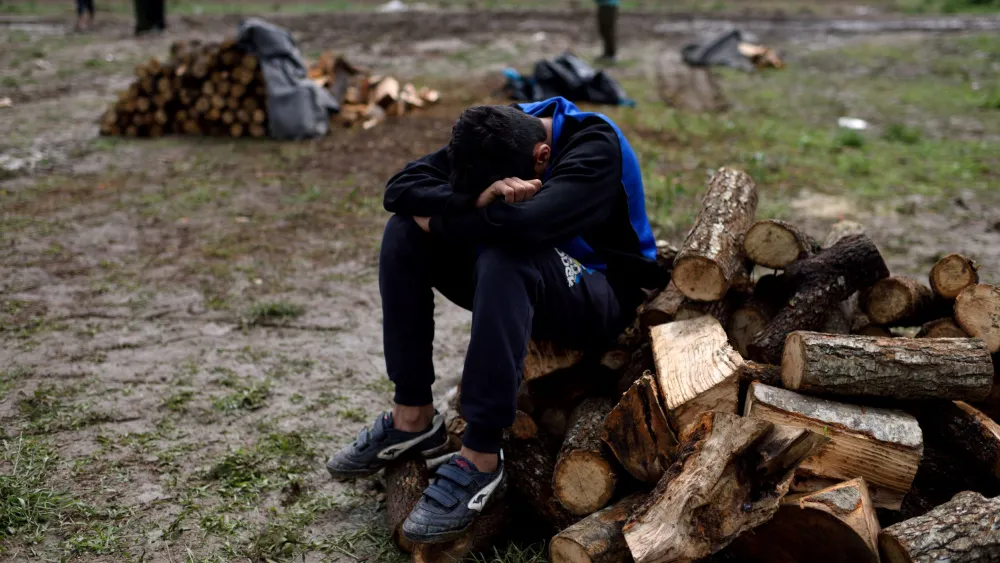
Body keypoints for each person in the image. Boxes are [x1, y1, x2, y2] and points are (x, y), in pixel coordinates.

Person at [326, 97, 663, 543]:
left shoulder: (595, 146)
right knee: (404, 231)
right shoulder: (498, 129)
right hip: (527, 272)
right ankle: (413, 417)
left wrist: (445, 215)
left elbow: (525, 226)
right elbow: (400, 188)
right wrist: (476, 198)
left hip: (602, 293)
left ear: (541, 158)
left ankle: (482, 456)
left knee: (507, 252)